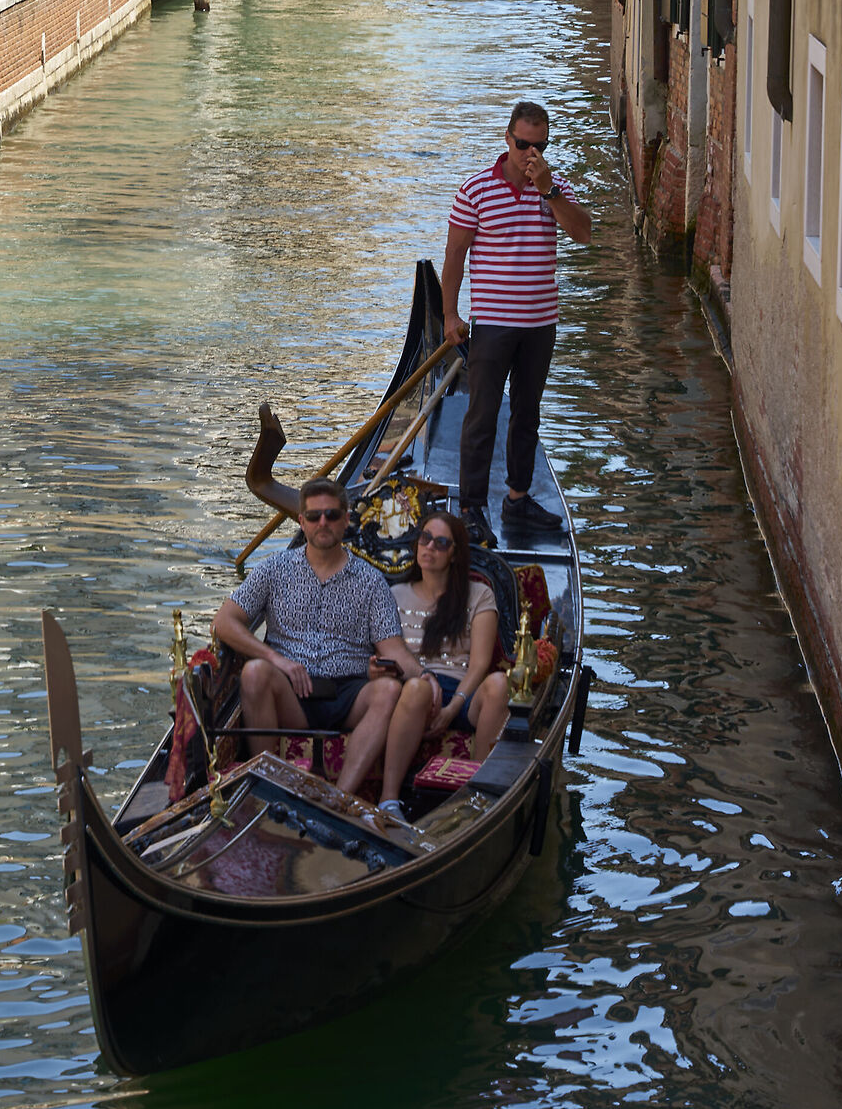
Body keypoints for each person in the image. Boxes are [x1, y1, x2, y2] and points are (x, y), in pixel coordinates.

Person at [212, 474, 426, 803]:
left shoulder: (371, 581)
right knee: (255, 672)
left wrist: (424, 679)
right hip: (290, 692)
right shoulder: (273, 569)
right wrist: (275, 659)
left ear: (346, 520)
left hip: (349, 694)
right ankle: (268, 789)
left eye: (332, 515)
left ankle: (339, 799)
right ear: (302, 521)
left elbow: (393, 648)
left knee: (388, 690)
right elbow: (225, 622)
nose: (322, 522)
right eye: (314, 516)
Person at [441, 99, 590, 551]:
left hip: (540, 324)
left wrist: (549, 191)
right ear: (508, 139)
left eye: (540, 146)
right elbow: (454, 261)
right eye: (524, 144)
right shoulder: (475, 191)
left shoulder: (554, 187)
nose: (531, 154)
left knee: (527, 414)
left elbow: (584, 233)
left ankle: (518, 497)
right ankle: (471, 508)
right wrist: (450, 315)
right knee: (482, 414)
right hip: (492, 325)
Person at [374, 508, 509, 820]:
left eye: (441, 543)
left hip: (464, 693)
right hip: (413, 692)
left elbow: (480, 664)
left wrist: (452, 708)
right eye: (425, 539)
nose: (430, 547)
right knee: (419, 688)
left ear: (454, 554)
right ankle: (389, 800)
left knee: (499, 684)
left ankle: (477, 795)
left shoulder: (479, 595)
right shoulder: (394, 594)